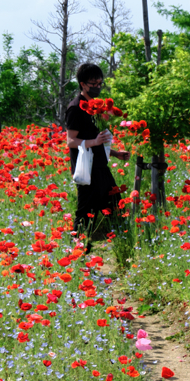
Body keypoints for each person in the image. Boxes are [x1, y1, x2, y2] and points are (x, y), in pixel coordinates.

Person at [65, 62, 128, 250]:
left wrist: (116, 154)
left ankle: (122, 243)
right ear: (83, 84)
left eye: (100, 83)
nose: (98, 87)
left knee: (115, 204)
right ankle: (78, 249)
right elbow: (71, 141)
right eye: (94, 84)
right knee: (85, 210)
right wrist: (94, 142)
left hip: (100, 166)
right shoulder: (75, 108)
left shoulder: (96, 109)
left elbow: (98, 138)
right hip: (85, 168)